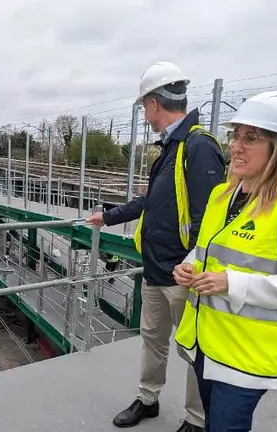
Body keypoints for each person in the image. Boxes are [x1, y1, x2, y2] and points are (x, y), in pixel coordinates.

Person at [173, 91, 277, 431]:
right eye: (235, 135)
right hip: (206, 343)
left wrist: (232, 283)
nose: (236, 147)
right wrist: (188, 264)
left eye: (251, 138)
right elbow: (207, 249)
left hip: (246, 356)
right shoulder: (222, 195)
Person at [86, 61, 226, 431]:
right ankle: (148, 399)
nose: (145, 116)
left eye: (144, 108)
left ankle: (197, 419)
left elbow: (209, 219)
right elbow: (153, 201)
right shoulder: (170, 148)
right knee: (152, 340)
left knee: (193, 348)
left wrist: (191, 263)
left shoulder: (198, 146)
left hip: (182, 274)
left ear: (153, 104)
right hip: (155, 269)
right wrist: (108, 216)